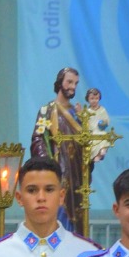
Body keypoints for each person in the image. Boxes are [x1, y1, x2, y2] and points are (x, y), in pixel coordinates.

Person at [31, 68, 87, 228]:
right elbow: (38, 138)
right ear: (60, 82)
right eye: (69, 82)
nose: (73, 87)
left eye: (76, 83)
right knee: (58, 212)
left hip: (76, 174)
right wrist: (48, 165)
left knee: (76, 214)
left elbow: (86, 142)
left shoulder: (78, 114)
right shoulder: (47, 110)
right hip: (56, 172)